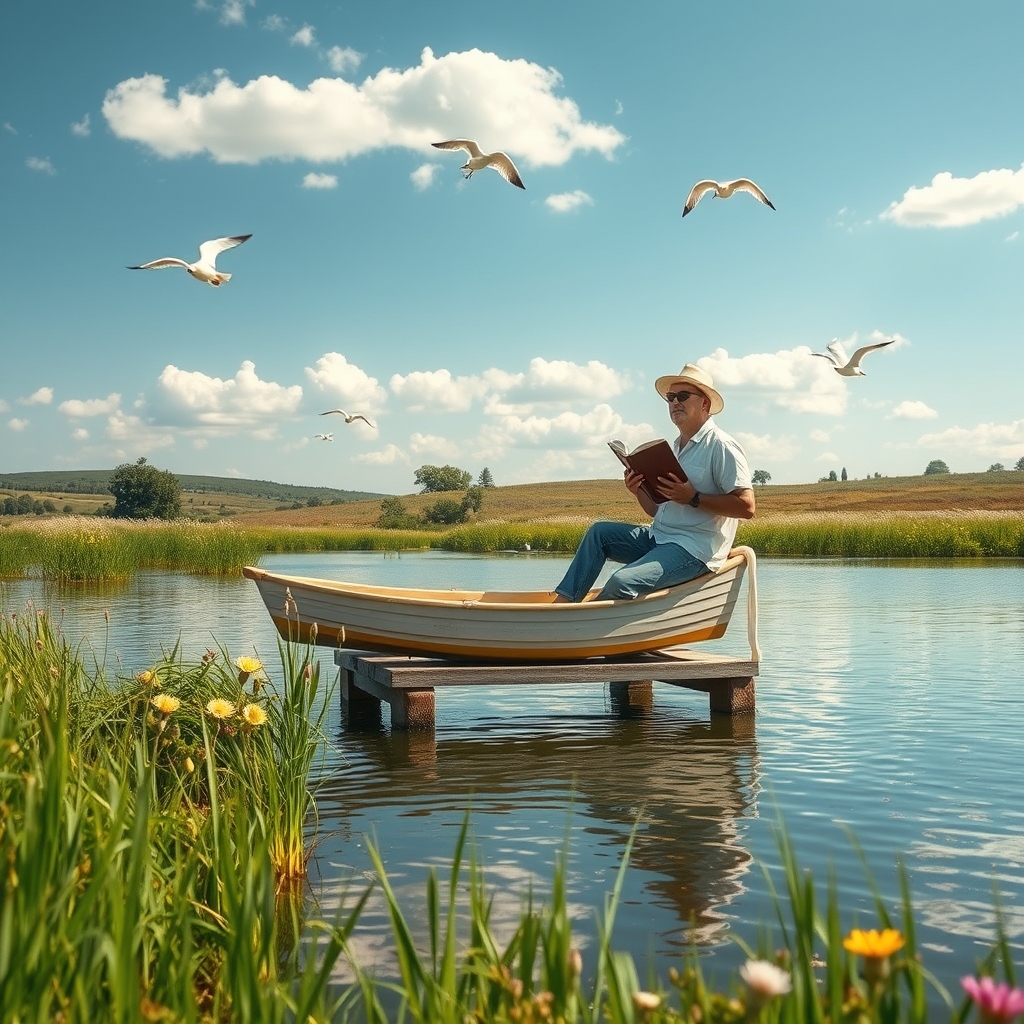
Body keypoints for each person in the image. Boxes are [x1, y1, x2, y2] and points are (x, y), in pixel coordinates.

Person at [552, 363, 754, 602]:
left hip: (694, 550)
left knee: (622, 581)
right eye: (670, 397)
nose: (674, 402)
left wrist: (694, 498)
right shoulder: (676, 447)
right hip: (658, 538)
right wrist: (638, 490)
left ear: (705, 403)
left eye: (683, 396)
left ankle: (577, 627)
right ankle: (564, 604)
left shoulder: (721, 446)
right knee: (599, 532)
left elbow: (747, 507)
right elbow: (656, 510)